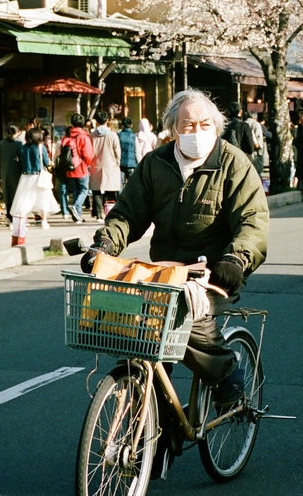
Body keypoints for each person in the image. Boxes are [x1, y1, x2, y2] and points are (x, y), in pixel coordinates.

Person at [81, 88, 269, 478]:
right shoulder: (156, 164)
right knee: (134, 327)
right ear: (172, 129)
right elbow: (129, 213)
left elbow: (252, 222)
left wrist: (236, 258)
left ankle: (226, 372)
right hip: (165, 270)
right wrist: (104, 245)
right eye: (187, 125)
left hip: (213, 273)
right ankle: (155, 427)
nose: (196, 131)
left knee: (187, 320)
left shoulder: (234, 165)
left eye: (204, 125)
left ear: (216, 127)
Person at [9, 127, 57, 229]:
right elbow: (46, 162)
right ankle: (44, 221)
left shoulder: (23, 147)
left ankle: (21, 222)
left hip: (26, 176)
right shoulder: (41, 147)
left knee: (24, 199)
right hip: (39, 176)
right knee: (43, 199)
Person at [58, 113, 94, 222]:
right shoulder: (83, 136)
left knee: (75, 190)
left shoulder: (67, 137)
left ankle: (77, 215)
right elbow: (88, 154)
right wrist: (87, 164)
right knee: (84, 190)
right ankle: (76, 207)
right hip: (81, 167)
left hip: (70, 168)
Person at [89, 111, 122, 222]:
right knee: (111, 191)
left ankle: (98, 214)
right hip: (111, 166)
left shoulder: (92, 135)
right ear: (107, 121)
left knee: (97, 191)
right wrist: (117, 162)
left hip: (95, 165)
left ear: (96, 122)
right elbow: (117, 152)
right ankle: (111, 213)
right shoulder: (113, 135)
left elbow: (89, 152)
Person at [0, 124, 24, 222]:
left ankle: (9, 217)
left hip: (4, 172)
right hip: (17, 172)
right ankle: (17, 217)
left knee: (8, 195)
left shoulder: (1, 144)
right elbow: (22, 160)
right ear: (17, 132)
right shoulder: (19, 144)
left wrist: (0, 173)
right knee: (17, 195)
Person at [117, 117, 137, 186]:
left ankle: (120, 196)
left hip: (120, 162)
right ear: (131, 125)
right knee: (132, 184)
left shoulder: (118, 135)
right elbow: (136, 151)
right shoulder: (134, 136)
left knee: (120, 183)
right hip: (131, 163)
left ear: (122, 125)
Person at [246, 110, 265, 176]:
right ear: (255, 117)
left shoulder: (242, 123)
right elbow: (258, 145)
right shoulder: (256, 124)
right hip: (255, 154)